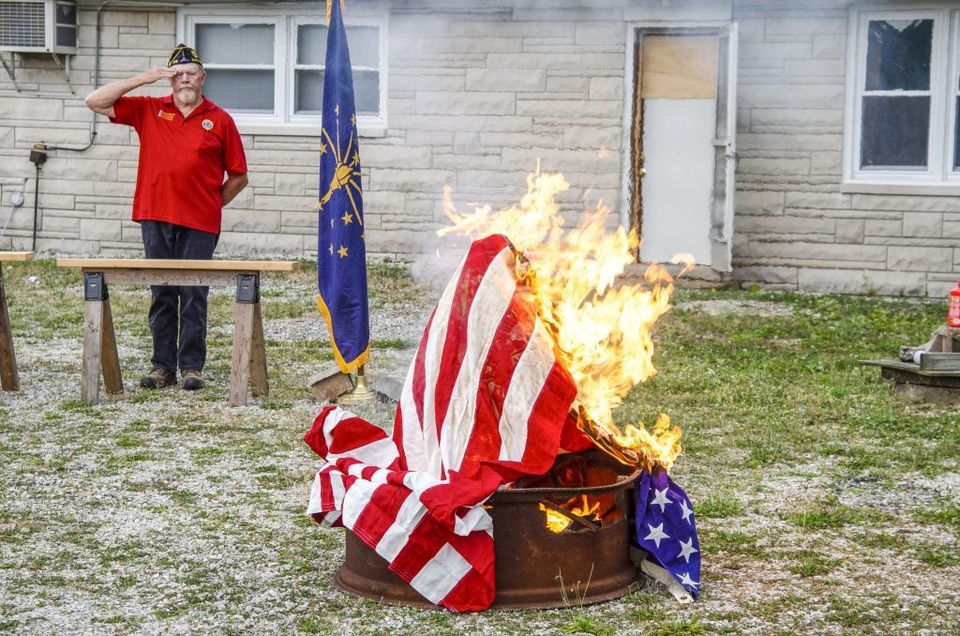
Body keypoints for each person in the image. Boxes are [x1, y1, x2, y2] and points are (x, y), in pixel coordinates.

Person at [84, 43, 248, 391]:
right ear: (170, 80)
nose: (184, 80)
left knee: (193, 293)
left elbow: (238, 176)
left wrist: (210, 204)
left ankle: (191, 367)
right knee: (161, 291)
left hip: (200, 223)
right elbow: (94, 101)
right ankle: (163, 367)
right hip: (154, 216)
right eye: (178, 74)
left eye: (191, 73)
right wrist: (144, 78)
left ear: (202, 78)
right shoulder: (149, 109)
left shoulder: (220, 120)